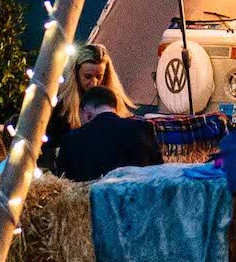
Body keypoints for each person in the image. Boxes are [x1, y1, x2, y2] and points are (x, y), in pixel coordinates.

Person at [45, 43, 162, 180]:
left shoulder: (116, 103)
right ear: (75, 74)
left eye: (99, 76)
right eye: (87, 77)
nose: (94, 83)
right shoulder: (60, 110)